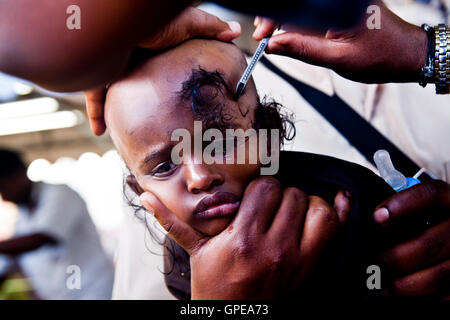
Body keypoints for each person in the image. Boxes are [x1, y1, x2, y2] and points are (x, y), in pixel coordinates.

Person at [104, 39, 449, 299]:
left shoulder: (344, 196)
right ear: (138, 190)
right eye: (164, 166)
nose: (199, 177)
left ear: (269, 136)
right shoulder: (176, 264)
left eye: (220, 143)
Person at [0, 149, 114, 299]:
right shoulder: (22, 215)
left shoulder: (59, 194)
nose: (4, 197)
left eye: (3, 187)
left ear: (18, 176)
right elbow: (12, 258)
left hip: (91, 290)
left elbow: (41, 238)